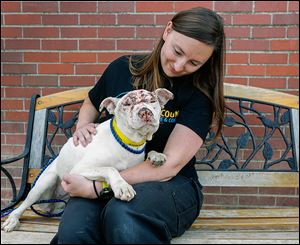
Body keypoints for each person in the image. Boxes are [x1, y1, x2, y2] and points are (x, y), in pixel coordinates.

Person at [50, 6, 225, 244]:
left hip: (170, 184)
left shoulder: (199, 94)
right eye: (177, 51)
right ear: (168, 30)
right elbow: (92, 102)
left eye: (194, 62)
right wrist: (82, 125)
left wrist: (97, 187)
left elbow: (169, 166)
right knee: (74, 233)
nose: (178, 65)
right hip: (104, 171)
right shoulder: (123, 67)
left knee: (123, 217)